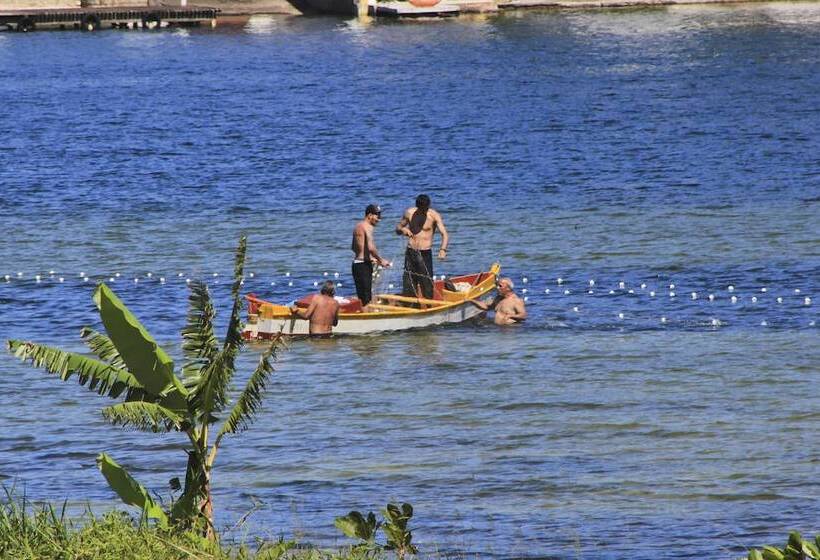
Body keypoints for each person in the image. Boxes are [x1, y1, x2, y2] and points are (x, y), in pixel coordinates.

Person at [395, 194, 448, 299]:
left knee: (427, 284)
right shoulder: (409, 213)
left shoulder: (434, 215)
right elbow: (398, 228)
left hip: (425, 253)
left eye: (425, 209)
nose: (423, 211)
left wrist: (443, 250)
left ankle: (429, 305)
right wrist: (403, 229)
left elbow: (445, 234)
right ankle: (411, 305)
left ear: (428, 206)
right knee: (409, 282)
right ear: (417, 207)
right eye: (421, 209)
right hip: (411, 252)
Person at [351, 204, 391, 308]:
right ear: (369, 215)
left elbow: (354, 248)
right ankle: (366, 316)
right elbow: (371, 248)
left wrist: (370, 258)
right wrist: (381, 260)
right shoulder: (368, 227)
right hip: (363, 266)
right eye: (377, 216)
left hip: (356, 264)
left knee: (362, 298)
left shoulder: (358, 226)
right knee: (367, 299)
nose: (379, 219)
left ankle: (362, 314)